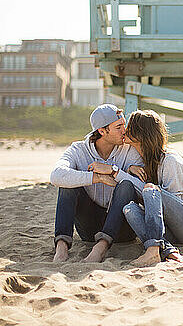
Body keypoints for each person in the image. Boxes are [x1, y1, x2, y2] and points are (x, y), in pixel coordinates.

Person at [89, 110, 183, 267]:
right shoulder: (143, 161)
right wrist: (128, 170)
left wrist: (113, 171)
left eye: (130, 127)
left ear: (141, 133)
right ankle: (166, 249)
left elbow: (169, 202)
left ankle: (152, 251)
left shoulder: (170, 161)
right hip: (168, 231)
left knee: (151, 189)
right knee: (130, 209)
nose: (125, 130)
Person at [49, 103, 143, 262]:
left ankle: (101, 248)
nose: (124, 131)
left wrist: (115, 171)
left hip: (123, 228)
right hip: (89, 228)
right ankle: (62, 246)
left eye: (124, 125)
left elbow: (144, 189)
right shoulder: (78, 150)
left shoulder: (130, 151)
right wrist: (96, 177)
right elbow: (56, 176)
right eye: (118, 127)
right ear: (102, 131)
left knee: (127, 185)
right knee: (67, 185)